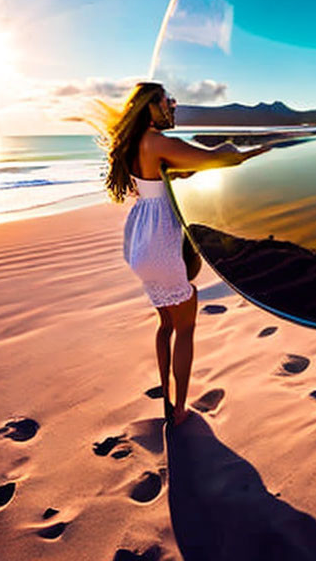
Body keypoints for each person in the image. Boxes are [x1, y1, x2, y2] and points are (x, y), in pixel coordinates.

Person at [95, 82, 268, 426]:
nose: (173, 106)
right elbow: (217, 158)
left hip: (139, 241)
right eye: (167, 101)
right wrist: (244, 150)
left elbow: (169, 173)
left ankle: (165, 394)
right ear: (150, 107)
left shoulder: (133, 144)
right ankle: (179, 409)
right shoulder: (158, 141)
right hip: (161, 242)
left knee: (165, 325)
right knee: (186, 328)